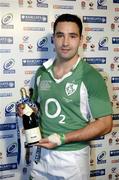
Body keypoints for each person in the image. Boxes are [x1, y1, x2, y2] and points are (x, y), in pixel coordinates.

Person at [18, 14, 113, 180]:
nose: (65, 42)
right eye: (60, 35)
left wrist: (62, 139)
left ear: (81, 39)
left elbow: (105, 125)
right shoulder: (42, 71)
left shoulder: (91, 76)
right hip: (40, 155)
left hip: (72, 159)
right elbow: (37, 108)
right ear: (54, 38)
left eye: (72, 36)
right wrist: (27, 110)